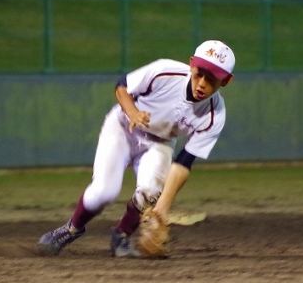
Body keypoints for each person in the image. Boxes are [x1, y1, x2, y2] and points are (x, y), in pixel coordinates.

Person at [38, 40, 235, 257]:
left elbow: (184, 162)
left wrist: (162, 207)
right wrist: (133, 112)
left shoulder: (214, 115)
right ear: (191, 64)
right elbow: (122, 86)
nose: (202, 83)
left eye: (212, 79)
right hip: (123, 127)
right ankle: (71, 229)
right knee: (104, 192)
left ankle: (121, 235)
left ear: (226, 80)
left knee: (150, 192)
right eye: (199, 74)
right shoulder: (165, 71)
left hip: (160, 143)